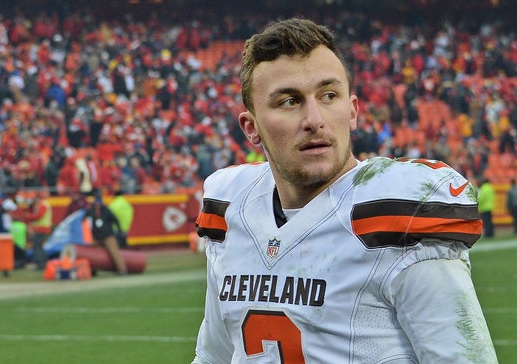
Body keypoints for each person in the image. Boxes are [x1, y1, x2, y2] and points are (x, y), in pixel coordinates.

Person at [192, 18, 497, 363]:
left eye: (328, 96)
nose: (314, 119)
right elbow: (213, 356)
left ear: (352, 112)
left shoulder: (394, 212)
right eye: (289, 101)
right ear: (251, 127)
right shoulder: (232, 206)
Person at [85, 190, 128, 275]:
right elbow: (115, 220)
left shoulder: (92, 210)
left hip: (104, 235)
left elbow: (115, 220)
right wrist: (119, 230)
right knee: (95, 254)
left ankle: (122, 270)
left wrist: (119, 230)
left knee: (113, 252)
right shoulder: (103, 209)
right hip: (100, 235)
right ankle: (94, 270)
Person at [19, 191, 53, 270]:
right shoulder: (41, 205)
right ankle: (44, 263)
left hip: (42, 229)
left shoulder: (43, 205)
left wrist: (28, 216)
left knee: (36, 247)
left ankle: (41, 264)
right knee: (38, 247)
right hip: (42, 229)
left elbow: (38, 216)